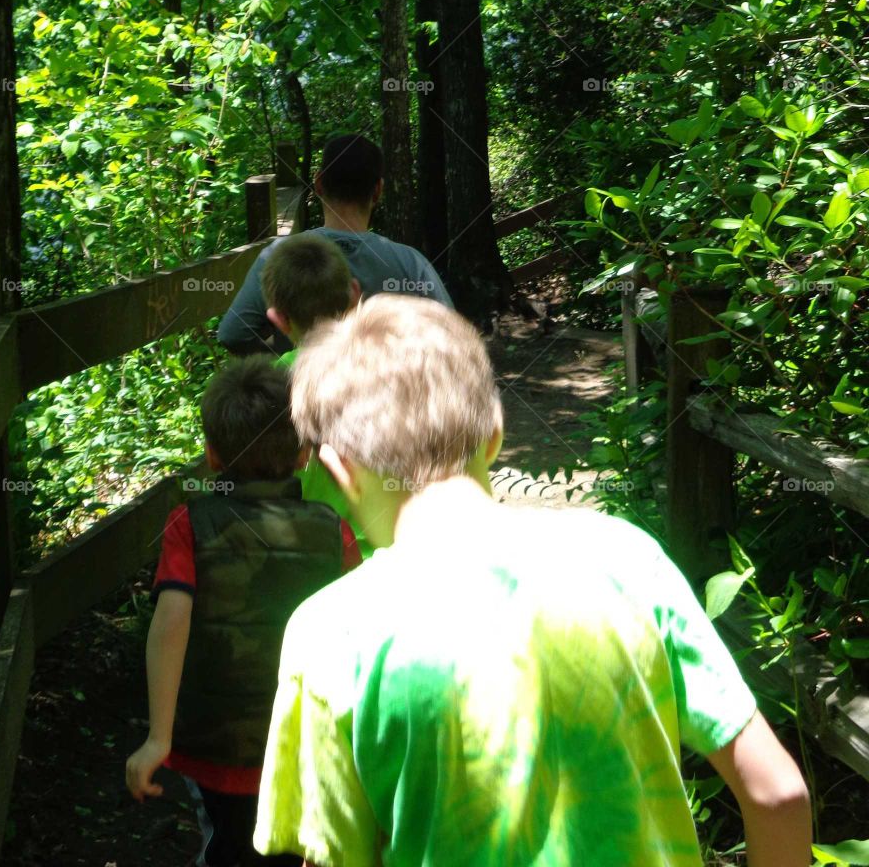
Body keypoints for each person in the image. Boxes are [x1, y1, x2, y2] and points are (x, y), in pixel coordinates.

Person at [253, 296, 812, 867]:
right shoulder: (624, 555)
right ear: (494, 432)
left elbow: (333, 854)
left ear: (337, 469)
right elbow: (778, 794)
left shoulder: (329, 633)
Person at [125, 357, 359, 867]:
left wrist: (159, 737)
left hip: (214, 747)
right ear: (303, 454)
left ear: (212, 455)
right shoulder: (332, 531)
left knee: (226, 846)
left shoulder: (189, 525)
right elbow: (356, 636)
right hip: (301, 745)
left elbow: (170, 624)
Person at [217, 133, 451, 353]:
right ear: (378, 191)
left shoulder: (279, 257)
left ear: (319, 183)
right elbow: (451, 338)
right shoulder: (411, 264)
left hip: (304, 383)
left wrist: (291, 361)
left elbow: (233, 334)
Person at [261, 232, 373, 558]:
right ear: (354, 293)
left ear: (279, 319)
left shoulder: (276, 381)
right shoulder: (386, 363)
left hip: (313, 554)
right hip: (387, 546)